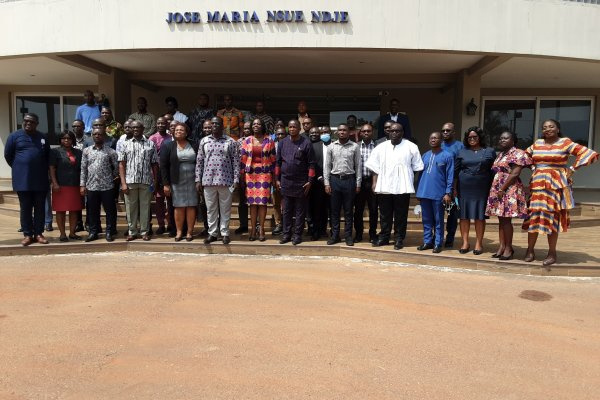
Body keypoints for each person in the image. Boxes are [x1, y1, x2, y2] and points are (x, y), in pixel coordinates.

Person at [523, 119, 598, 268]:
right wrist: (533, 169)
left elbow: (588, 153)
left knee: (553, 218)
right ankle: (530, 250)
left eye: (551, 126)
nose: (547, 129)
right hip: (538, 185)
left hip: (556, 186)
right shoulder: (537, 143)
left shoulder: (565, 143)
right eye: (544, 127)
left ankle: (552, 253)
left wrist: (573, 168)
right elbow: (524, 156)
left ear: (558, 129)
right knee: (534, 216)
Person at [366, 122, 423, 250]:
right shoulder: (381, 147)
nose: (394, 133)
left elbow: (417, 167)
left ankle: (399, 238)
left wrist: (406, 177)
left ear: (402, 133)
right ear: (388, 132)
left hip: (403, 187)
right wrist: (374, 182)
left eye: (397, 131)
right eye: (392, 131)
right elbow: (374, 166)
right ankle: (384, 237)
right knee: (385, 214)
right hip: (384, 185)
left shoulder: (411, 147)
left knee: (401, 215)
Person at [4, 113, 51, 246]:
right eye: (26, 121)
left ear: (36, 124)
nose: (28, 123)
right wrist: (21, 167)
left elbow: (47, 156)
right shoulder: (14, 136)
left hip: (40, 179)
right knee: (25, 208)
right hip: (22, 180)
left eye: (31, 122)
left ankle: (39, 234)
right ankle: (27, 234)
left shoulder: (43, 137)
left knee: (40, 208)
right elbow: (8, 155)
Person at [485, 131, 531, 260]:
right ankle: (502, 246)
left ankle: (509, 248)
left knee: (506, 220)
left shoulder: (518, 153)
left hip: (509, 189)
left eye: (506, 138)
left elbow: (515, 173)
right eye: (501, 138)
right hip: (498, 188)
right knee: (501, 219)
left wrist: (502, 189)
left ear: (513, 140)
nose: (502, 140)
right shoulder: (500, 154)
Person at [196, 116, 240, 245]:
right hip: (208, 180)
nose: (214, 126)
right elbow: (199, 161)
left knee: (225, 209)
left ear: (222, 126)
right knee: (211, 209)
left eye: (217, 124)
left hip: (225, 180)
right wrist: (197, 179)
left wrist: (236, 179)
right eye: (212, 124)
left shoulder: (230, 141)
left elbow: (236, 162)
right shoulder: (204, 141)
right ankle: (213, 233)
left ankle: (225, 233)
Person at [455, 127, 496, 255]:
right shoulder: (462, 152)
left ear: (480, 138)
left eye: (475, 137)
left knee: (479, 216)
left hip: (482, 188)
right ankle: (465, 242)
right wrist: (454, 189)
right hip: (464, 188)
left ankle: (479, 243)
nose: (472, 139)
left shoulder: (489, 151)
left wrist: (493, 189)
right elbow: (455, 172)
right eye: (469, 137)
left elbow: (493, 171)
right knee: (464, 216)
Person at [276, 120, 316, 245]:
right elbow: (277, 163)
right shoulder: (282, 143)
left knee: (300, 211)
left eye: (294, 127)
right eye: (290, 127)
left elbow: (311, 164)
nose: (292, 129)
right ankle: (286, 234)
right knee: (286, 210)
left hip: (301, 183)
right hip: (286, 182)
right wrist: (277, 179)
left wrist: (310, 181)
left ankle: (297, 235)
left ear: (299, 129)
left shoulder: (306, 143)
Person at [118, 120, 159, 241]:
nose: (135, 130)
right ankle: (132, 231)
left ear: (143, 129)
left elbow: (155, 164)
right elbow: (121, 165)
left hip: (146, 181)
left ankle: (144, 231)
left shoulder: (150, 144)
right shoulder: (125, 144)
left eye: (138, 128)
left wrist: (155, 180)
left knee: (145, 207)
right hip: (130, 181)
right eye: (133, 128)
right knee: (131, 208)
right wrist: (123, 183)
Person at [415, 132, 454, 253]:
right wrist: (419, 191)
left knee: (438, 220)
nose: (433, 140)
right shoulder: (425, 155)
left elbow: (450, 176)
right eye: (431, 138)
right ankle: (427, 242)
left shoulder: (447, 156)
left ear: (441, 140)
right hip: (424, 192)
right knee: (426, 220)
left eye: (435, 138)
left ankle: (438, 243)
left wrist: (448, 192)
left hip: (439, 193)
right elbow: (420, 174)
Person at [80, 121, 118, 242]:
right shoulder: (86, 151)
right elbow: (83, 169)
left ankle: (109, 231)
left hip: (107, 186)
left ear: (104, 135)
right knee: (92, 211)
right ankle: (93, 232)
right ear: (92, 136)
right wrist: (82, 184)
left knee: (110, 211)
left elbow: (116, 168)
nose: (97, 136)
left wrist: (110, 177)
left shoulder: (111, 152)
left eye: (100, 134)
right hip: (91, 186)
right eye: (95, 134)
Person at [324, 124, 362, 246]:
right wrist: (326, 183)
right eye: (339, 130)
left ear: (348, 132)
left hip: (349, 180)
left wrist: (358, 183)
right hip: (335, 180)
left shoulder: (355, 146)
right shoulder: (331, 147)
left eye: (344, 130)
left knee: (348, 211)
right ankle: (335, 235)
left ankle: (348, 236)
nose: (342, 132)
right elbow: (327, 167)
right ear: (337, 133)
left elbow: (358, 166)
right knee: (334, 211)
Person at [240, 118, 277, 241]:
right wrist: (241, 176)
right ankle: (252, 229)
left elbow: (273, 160)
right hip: (250, 174)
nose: (256, 126)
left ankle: (261, 228)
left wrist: (274, 177)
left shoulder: (269, 140)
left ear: (262, 126)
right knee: (252, 203)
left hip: (264, 174)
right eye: (254, 124)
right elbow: (243, 160)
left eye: (258, 124)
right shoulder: (247, 140)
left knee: (262, 203)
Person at [161, 123, 198, 241]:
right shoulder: (168, 146)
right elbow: (163, 166)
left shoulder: (194, 144)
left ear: (186, 132)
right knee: (179, 206)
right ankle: (179, 232)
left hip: (192, 180)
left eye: (181, 130)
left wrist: (199, 180)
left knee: (191, 205)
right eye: (176, 130)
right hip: (176, 181)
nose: (178, 132)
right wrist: (166, 184)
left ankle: (189, 232)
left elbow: (200, 162)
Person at [49, 131, 83, 242]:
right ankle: (62, 234)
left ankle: (72, 233)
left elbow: (82, 169)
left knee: (74, 210)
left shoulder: (79, 152)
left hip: (75, 185)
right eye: (63, 138)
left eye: (69, 138)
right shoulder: (55, 152)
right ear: (60, 140)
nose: (66, 140)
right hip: (60, 186)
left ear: (73, 140)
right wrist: (54, 183)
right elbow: (52, 168)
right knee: (60, 210)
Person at [353, 123, 378, 244]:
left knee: (373, 210)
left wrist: (376, 182)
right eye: (364, 131)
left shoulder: (378, 146)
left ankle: (373, 234)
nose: (366, 133)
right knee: (358, 210)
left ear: (372, 132)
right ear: (360, 133)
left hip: (374, 181)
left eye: (369, 131)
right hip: (359, 182)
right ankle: (358, 234)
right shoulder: (355, 146)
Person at [440, 122, 464, 248]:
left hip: (455, 184)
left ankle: (450, 238)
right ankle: (437, 237)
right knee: (438, 212)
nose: (445, 133)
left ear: (453, 132)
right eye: (443, 130)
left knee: (452, 213)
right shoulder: (439, 145)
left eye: (448, 130)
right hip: (439, 184)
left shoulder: (460, 146)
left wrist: (454, 187)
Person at [149, 117, 173, 235]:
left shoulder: (171, 138)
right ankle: (161, 224)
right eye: (158, 123)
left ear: (167, 124)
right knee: (159, 200)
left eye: (163, 123)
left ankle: (170, 223)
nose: (161, 125)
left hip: (168, 172)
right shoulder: (152, 138)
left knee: (170, 200)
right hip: (156, 172)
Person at [307, 126, 329, 241]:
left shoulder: (326, 145)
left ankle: (322, 229)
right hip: (312, 181)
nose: (314, 134)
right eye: (312, 133)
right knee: (313, 208)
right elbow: (311, 164)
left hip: (326, 182)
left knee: (323, 208)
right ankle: (314, 230)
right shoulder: (309, 145)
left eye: (317, 133)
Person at [235, 121, 253, 235]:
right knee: (242, 201)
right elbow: (236, 158)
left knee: (255, 201)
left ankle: (255, 225)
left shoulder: (257, 140)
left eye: (248, 128)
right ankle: (243, 225)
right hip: (242, 174)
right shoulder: (239, 142)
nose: (246, 130)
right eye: (245, 128)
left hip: (255, 175)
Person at [271, 126, 287, 236]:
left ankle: (287, 224)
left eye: (282, 134)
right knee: (276, 202)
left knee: (286, 203)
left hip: (287, 177)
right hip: (274, 178)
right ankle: (278, 224)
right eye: (278, 134)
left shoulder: (289, 145)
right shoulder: (273, 146)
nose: (280, 136)